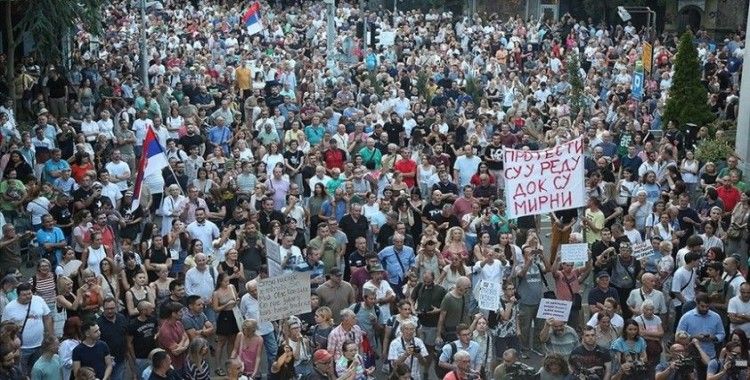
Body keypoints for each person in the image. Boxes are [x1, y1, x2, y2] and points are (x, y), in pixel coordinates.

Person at [2, 282, 52, 375]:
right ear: (18, 295)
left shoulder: (39, 300)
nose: (28, 296)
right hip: (21, 349)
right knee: (23, 373)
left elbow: (47, 317)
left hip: (39, 345)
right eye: (24, 295)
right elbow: (4, 327)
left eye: (29, 293)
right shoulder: (9, 308)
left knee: (38, 372)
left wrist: (49, 334)